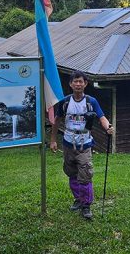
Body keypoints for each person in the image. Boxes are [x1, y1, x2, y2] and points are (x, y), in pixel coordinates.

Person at [49, 70, 113, 220]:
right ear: (70, 84)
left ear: (85, 84)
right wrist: (53, 140)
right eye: (75, 81)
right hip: (68, 143)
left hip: (84, 144)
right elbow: (56, 120)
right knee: (71, 173)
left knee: (85, 174)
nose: (78, 84)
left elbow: (101, 116)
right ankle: (78, 199)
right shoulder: (65, 102)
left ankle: (86, 205)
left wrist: (108, 127)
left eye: (81, 81)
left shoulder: (91, 101)